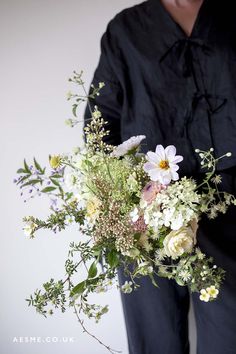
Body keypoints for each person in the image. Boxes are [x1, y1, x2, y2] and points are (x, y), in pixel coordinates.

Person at [84, 1, 236, 353]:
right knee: (155, 340)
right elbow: (99, 122)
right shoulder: (127, 30)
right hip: (147, 212)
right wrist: (126, 198)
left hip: (229, 209)